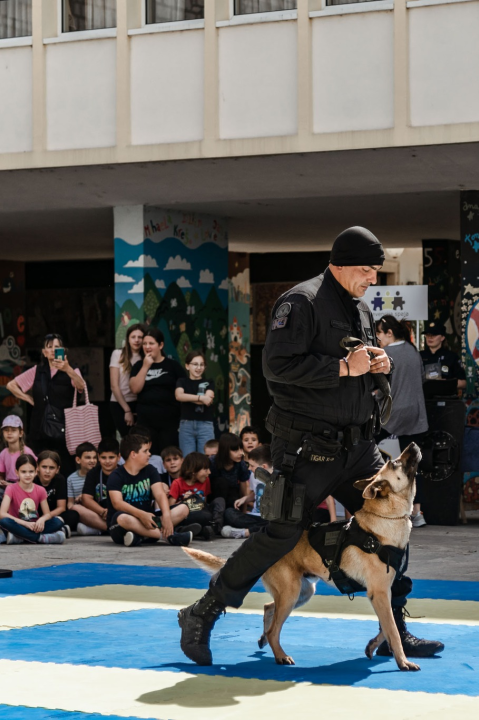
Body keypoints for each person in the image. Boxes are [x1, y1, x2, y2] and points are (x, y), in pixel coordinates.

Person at [177, 225, 441, 667]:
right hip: (307, 448)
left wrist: (378, 363)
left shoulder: (359, 308)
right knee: (280, 534)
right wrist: (342, 367)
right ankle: (203, 612)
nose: (373, 279)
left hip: (357, 447)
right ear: (340, 263)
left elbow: (359, 365)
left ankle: (394, 622)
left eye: (376, 271)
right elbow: (276, 366)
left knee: (396, 519)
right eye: (367, 270)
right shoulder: (300, 302)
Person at [6, 333, 86, 476]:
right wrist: (28, 398)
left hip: (65, 431)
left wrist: (67, 369)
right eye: (49, 347)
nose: (53, 350)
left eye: (57, 347)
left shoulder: (72, 369)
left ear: (63, 350)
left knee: (65, 467)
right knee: (39, 467)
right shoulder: (37, 371)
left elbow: (81, 386)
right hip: (40, 429)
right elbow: (11, 385)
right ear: (44, 352)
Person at [375, 315, 429, 527]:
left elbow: (380, 388)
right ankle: (417, 513)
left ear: (389, 333)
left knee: (372, 457)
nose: (378, 337)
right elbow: (422, 378)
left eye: (379, 332)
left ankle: (385, 510)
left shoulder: (386, 354)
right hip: (417, 414)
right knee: (412, 465)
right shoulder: (412, 350)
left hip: (392, 414)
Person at [107, 434, 194, 547]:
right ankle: (168, 536)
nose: (149, 454)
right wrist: (141, 515)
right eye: (145, 451)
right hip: (122, 525)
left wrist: (166, 516)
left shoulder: (150, 470)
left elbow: (160, 494)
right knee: (123, 518)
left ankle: (141, 537)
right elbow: (117, 503)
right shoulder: (116, 475)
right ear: (133, 454)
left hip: (150, 521)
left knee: (183, 508)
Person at [128, 328, 186, 455]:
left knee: (169, 456)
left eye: (151, 343)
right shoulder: (138, 365)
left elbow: (185, 389)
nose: (147, 347)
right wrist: (145, 366)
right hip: (146, 422)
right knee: (148, 456)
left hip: (169, 422)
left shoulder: (173, 366)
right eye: (144, 344)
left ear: (161, 345)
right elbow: (135, 389)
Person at [0, 453, 67, 545]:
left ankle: (20, 538)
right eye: (23, 472)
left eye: (31, 471)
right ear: (17, 472)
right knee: (4, 522)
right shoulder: (10, 489)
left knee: (58, 521)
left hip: (35, 526)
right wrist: (26, 524)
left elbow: (47, 514)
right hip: (19, 525)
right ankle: (41, 538)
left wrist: (41, 520)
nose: (27, 475)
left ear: (36, 471)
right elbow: (2, 514)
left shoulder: (40, 490)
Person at [211, 432, 254, 538]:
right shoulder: (213, 462)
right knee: (222, 482)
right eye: (235, 450)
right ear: (225, 451)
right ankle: (216, 521)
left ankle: (224, 524)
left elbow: (243, 489)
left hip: (232, 500)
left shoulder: (241, 464)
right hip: (216, 500)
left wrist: (243, 513)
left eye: (241, 449)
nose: (240, 453)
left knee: (231, 512)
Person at [166, 450, 216, 540]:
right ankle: (182, 529)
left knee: (219, 502)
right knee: (203, 516)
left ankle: (213, 527)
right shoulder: (177, 483)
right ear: (193, 471)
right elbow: (170, 506)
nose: (209, 472)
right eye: (205, 469)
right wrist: (184, 501)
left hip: (202, 511)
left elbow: (205, 501)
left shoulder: (206, 480)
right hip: (187, 515)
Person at [110, 322, 146, 439]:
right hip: (119, 403)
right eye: (133, 337)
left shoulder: (146, 357)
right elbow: (114, 386)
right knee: (128, 439)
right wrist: (127, 410)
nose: (136, 340)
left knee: (141, 439)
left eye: (140, 337)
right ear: (128, 339)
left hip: (140, 403)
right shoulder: (118, 354)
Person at [176, 350, 216, 456]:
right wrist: (200, 398)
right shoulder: (182, 381)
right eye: (195, 364)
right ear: (187, 366)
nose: (199, 368)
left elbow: (207, 400)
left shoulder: (209, 382)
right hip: (186, 424)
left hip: (205, 425)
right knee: (188, 460)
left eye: (202, 365)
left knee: (207, 458)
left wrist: (187, 397)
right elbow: (179, 396)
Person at [77, 439, 119, 535]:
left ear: (119, 457)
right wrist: (102, 511)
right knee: (76, 509)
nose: (107, 461)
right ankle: (112, 529)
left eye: (111, 457)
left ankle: (102, 529)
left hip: (119, 514)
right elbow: (86, 498)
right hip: (100, 514)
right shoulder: (93, 473)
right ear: (98, 457)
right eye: (104, 457)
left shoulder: (124, 472)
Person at [0, 415, 35, 506]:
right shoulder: (4, 453)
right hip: (8, 487)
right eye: (6, 430)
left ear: (20, 433)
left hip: (25, 487)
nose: (9, 433)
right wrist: (1, 482)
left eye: (13, 430)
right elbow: (0, 475)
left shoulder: (27, 452)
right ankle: (5, 515)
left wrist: (14, 486)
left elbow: (34, 476)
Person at [419, 320, 466, 393]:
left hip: (446, 400)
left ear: (442, 338)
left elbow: (463, 383)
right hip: (424, 400)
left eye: (434, 335)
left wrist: (445, 384)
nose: (430, 338)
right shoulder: (419, 356)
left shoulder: (451, 357)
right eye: (427, 335)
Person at [63, 442, 100, 534]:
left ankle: (98, 528)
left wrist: (85, 497)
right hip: (81, 512)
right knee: (75, 519)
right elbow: (70, 503)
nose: (92, 461)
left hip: (96, 510)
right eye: (88, 457)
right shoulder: (71, 478)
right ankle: (98, 529)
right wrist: (75, 505)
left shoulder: (99, 475)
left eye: (94, 457)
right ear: (78, 460)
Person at [35, 450, 68, 530]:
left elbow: (61, 507)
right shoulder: (33, 480)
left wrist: (45, 517)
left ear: (57, 469)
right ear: (38, 467)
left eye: (52, 468)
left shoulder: (60, 480)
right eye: (44, 467)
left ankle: (49, 528)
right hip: (35, 515)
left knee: (73, 515)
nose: (47, 471)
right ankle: (57, 529)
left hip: (54, 514)